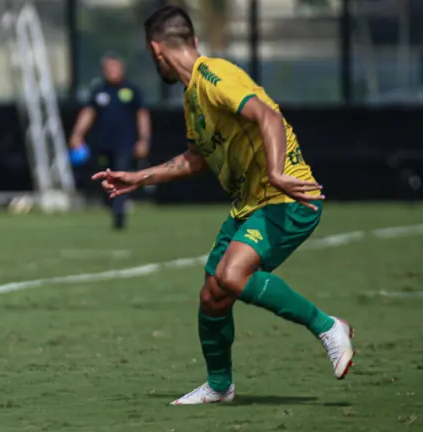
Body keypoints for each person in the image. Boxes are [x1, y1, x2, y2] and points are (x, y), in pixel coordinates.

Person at [92, 6, 354, 405]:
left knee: (232, 275)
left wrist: (278, 171)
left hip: (287, 198)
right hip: (251, 203)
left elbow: (265, 115)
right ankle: (219, 386)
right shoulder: (192, 97)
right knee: (213, 293)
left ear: (155, 50)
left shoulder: (214, 75)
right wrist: (138, 177)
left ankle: (329, 327)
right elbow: (195, 159)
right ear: (191, 40)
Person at [69, 52, 151, 230]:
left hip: (124, 145)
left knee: (120, 178)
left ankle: (119, 212)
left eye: (116, 68)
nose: (113, 72)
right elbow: (88, 113)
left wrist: (144, 140)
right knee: (101, 179)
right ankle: (112, 205)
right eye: (109, 68)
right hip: (101, 145)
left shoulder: (131, 91)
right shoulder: (99, 92)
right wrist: (77, 134)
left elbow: (142, 116)